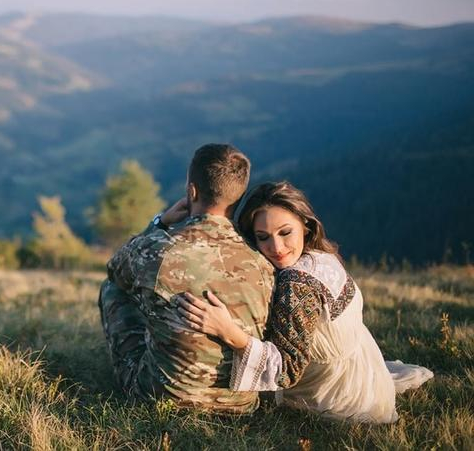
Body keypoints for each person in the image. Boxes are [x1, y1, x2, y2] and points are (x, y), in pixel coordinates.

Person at [175, 181, 433, 423]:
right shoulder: (321, 256)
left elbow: (287, 371)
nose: (276, 247)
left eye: (285, 232)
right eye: (262, 237)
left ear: (305, 226)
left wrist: (228, 332)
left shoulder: (295, 285)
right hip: (365, 375)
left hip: (333, 396)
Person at [98, 144, 276, 413]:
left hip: (162, 399)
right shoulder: (262, 260)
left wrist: (159, 224)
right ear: (238, 197)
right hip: (241, 404)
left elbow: (115, 269)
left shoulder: (157, 248)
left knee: (113, 287)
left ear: (192, 191)